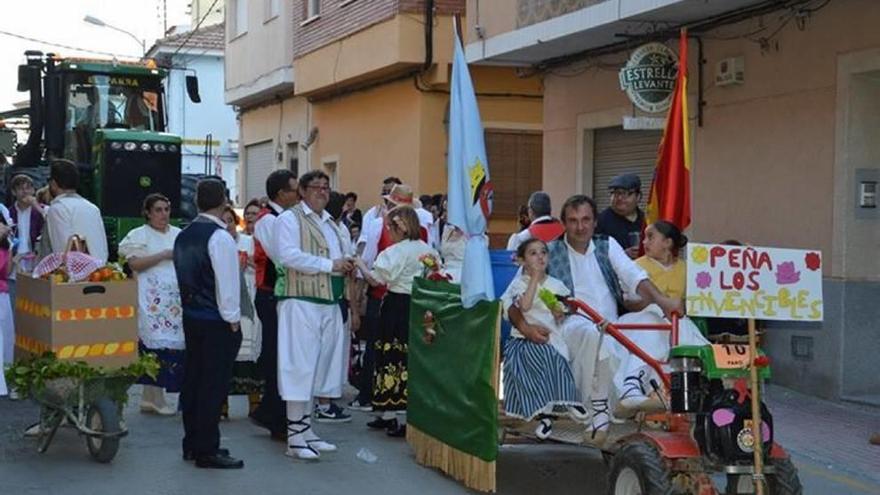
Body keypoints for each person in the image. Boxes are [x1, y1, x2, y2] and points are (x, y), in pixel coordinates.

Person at [508, 195, 683, 440]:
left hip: (612, 325)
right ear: (563, 223)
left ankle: (634, 387)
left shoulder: (607, 244)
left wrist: (661, 301)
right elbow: (512, 300)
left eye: (586, 220)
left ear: (595, 222)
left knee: (655, 318)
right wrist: (526, 329)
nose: (580, 227)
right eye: (573, 221)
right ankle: (599, 407)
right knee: (592, 333)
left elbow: (633, 275)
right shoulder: (547, 252)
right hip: (571, 324)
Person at [272, 170, 353, 460]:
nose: (322, 192)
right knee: (299, 365)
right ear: (302, 192)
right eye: (316, 187)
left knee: (319, 366)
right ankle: (294, 437)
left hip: (329, 300)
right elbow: (288, 255)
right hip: (300, 300)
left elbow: (341, 255)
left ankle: (306, 431)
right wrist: (329, 264)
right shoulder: (289, 219)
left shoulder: (330, 223)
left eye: (326, 187)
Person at [174, 178, 243, 469]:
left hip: (191, 316)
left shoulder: (183, 235)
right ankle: (207, 449)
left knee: (194, 381)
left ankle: (192, 442)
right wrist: (233, 320)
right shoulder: (221, 238)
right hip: (216, 319)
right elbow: (226, 285)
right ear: (224, 201)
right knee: (213, 386)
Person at [353, 205, 438, 438]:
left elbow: (376, 279)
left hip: (396, 306)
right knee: (409, 357)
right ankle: (397, 413)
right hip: (419, 306)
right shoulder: (427, 250)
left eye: (389, 227)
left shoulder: (393, 252)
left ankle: (391, 410)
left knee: (390, 356)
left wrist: (360, 264)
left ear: (397, 228)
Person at [612, 220, 709, 414]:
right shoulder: (635, 266)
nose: (644, 242)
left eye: (650, 237)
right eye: (644, 237)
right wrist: (654, 301)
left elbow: (697, 301)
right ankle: (633, 386)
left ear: (667, 242)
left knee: (682, 327)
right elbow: (627, 303)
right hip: (638, 322)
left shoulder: (688, 269)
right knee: (656, 316)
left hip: (675, 322)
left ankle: (704, 382)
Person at [501, 238, 585, 440]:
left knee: (556, 357)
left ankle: (565, 403)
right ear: (522, 261)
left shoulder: (556, 284)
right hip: (523, 340)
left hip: (551, 336)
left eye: (543, 252)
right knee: (543, 358)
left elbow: (566, 308)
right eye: (533, 253)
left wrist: (559, 311)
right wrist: (533, 280)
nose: (540, 256)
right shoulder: (519, 285)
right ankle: (548, 414)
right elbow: (525, 307)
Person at [118, 194, 185, 416]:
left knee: (172, 347)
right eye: (158, 210)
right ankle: (155, 396)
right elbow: (134, 263)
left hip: (174, 300)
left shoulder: (178, 234)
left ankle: (151, 396)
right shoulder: (139, 235)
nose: (163, 214)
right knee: (154, 348)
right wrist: (164, 255)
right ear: (148, 212)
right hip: (151, 298)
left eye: (166, 209)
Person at [249, 170, 298, 440]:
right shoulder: (269, 221)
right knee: (275, 353)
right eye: (294, 189)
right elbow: (281, 257)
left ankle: (273, 410)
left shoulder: (281, 218)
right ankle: (273, 413)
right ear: (281, 193)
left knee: (279, 353)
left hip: (277, 293)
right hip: (270, 293)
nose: (298, 194)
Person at [221, 206, 263, 418]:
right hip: (226, 300)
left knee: (249, 352)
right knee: (226, 353)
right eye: (223, 220)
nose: (227, 224)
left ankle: (254, 402)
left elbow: (263, 266)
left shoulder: (248, 241)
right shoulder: (217, 244)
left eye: (230, 220)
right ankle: (223, 404)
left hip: (249, 298)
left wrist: (248, 262)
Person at [46, 159, 108, 263]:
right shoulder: (92, 207)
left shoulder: (58, 208)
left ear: (53, 184)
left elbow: (62, 249)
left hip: (75, 273)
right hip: (100, 272)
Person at [8, 174, 46, 301]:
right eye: (20, 188)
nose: (25, 191)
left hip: (36, 265)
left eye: (28, 188)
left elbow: (52, 222)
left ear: (33, 190)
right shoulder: (8, 213)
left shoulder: (41, 210)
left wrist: (37, 207)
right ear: (14, 192)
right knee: (15, 305)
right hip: (14, 267)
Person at [597, 173, 645, 260]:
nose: (619, 198)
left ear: (638, 196)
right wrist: (621, 255)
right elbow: (593, 254)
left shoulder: (646, 220)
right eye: (615, 193)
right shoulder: (600, 221)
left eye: (625, 194)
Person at [0, 215, 13, 386]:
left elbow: (7, 273)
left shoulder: (6, 246)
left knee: (7, 338)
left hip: (3, 294)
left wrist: (11, 251)